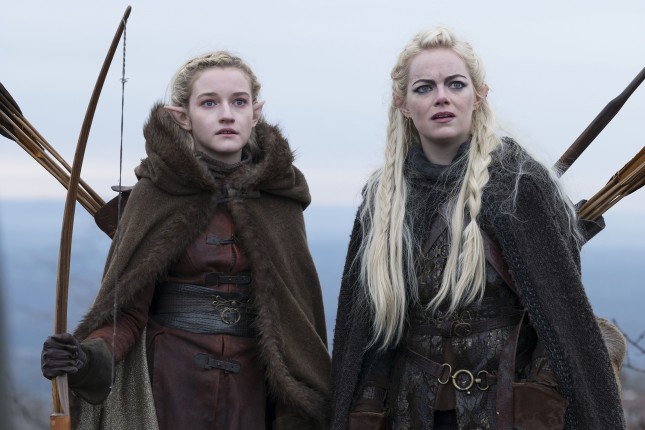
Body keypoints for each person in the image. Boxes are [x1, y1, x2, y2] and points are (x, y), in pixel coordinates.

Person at [330, 27, 625, 429]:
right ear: (402, 103)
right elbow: (366, 334)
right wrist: (361, 409)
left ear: (480, 94)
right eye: (424, 88)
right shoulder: (383, 197)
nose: (442, 97)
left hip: (506, 411)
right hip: (409, 412)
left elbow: (562, 319)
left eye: (456, 84)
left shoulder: (519, 185)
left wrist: (542, 401)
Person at [41, 51, 330, 429]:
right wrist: (85, 358)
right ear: (181, 116)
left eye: (239, 102)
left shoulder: (280, 198)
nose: (226, 114)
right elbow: (124, 312)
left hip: (253, 390)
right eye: (209, 102)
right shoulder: (155, 194)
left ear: (256, 113)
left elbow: (297, 318)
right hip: (171, 382)